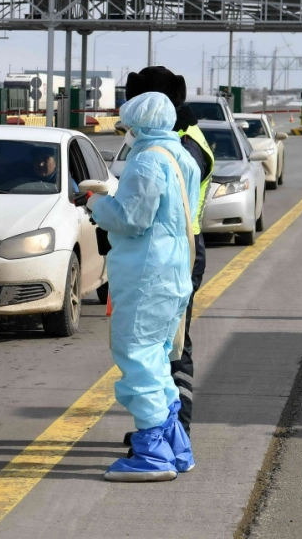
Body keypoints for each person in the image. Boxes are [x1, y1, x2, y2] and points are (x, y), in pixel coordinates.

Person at [87, 91, 200, 482]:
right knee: (156, 358)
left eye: (128, 125)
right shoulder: (181, 157)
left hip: (146, 272)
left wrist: (98, 203)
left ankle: (152, 452)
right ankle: (175, 445)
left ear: (138, 124)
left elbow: (132, 219)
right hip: (173, 271)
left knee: (136, 354)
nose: (126, 132)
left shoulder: (148, 161)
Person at [123, 67, 215, 438]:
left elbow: (147, 206)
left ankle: (175, 428)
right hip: (169, 248)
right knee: (160, 342)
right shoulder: (169, 138)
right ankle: (166, 427)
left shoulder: (180, 144)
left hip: (177, 250)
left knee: (171, 343)